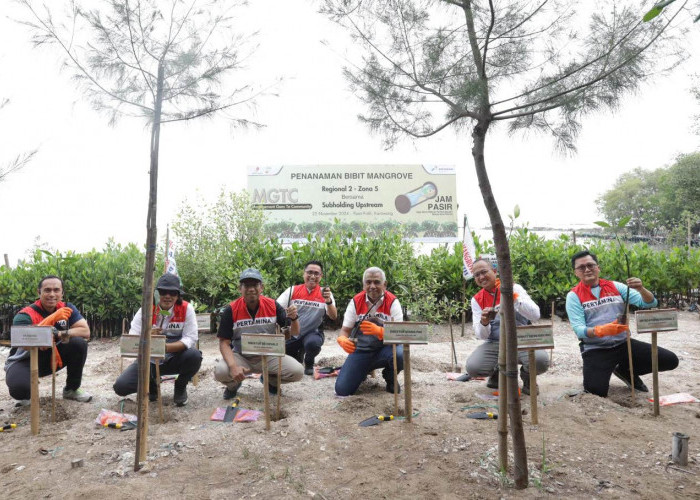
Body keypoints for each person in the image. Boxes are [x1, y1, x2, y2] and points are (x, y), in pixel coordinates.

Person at [566, 250, 679, 397]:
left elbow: (649, 302)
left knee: (670, 360)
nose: (587, 269)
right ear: (576, 272)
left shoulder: (615, 287)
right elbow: (579, 330)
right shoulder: (573, 296)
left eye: (590, 265)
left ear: (598, 267)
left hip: (624, 344)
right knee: (595, 392)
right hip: (596, 348)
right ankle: (613, 370)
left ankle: (625, 371)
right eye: (581, 267)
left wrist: (640, 288)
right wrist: (602, 330)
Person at [113, 273, 202, 407]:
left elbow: (190, 338)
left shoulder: (186, 309)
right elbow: (133, 337)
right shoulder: (146, 310)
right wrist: (146, 334)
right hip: (149, 360)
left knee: (194, 356)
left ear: (177, 295)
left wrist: (164, 347)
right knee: (121, 387)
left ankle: (180, 385)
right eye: (163, 292)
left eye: (172, 292)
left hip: (175, 357)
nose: (167, 296)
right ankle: (152, 384)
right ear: (157, 294)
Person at [463, 258, 548, 395]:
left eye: (484, 272)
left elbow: (535, 315)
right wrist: (484, 322)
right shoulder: (477, 300)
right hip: (496, 342)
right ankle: (497, 372)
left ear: (495, 271)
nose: (481, 277)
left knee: (540, 361)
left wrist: (513, 298)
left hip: (522, 339)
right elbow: (481, 335)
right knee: (474, 367)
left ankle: (527, 377)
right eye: (476, 275)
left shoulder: (515, 288)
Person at [215, 268, 303, 398]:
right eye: (247, 285)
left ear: (262, 287)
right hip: (242, 356)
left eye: (255, 285)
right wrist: (233, 367)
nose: (251, 289)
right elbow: (224, 342)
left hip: (269, 355)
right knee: (220, 371)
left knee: (297, 372)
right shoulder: (231, 310)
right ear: (240, 288)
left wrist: (294, 318)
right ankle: (233, 385)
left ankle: (271, 382)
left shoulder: (273, 305)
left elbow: (293, 333)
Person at [5, 275, 92, 403]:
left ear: (62, 292)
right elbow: (25, 344)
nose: (52, 294)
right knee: (19, 389)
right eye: (47, 290)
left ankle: (71, 389)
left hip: (52, 357)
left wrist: (56, 333)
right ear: (39, 292)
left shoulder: (67, 308)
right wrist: (52, 319)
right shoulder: (24, 315)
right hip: (25, 360)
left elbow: (85, 331)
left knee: (78, 343)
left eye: (56, 290)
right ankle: (26, 394)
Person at [334, 267, 404, 396]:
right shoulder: (355, 301)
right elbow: (344, 330)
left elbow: (400, 334)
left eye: (377, 282)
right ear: (363, 285)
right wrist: (342, 340)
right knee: (342, 390)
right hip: (362, 351)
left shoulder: (393, 302)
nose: (372, 286)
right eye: (368, 282)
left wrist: (381, 331)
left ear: (385, 284)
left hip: (385, 349)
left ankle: (390, 376)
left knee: (401, 355)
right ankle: (364, 369)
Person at [277, 260, 337, 375]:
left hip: (313, 332)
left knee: (312, 344)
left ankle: (309, 362)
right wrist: (288, 312)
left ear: (321, 276)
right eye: (309, 272)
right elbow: (276, 309)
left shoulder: (325, 292)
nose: (312, 276)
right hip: (293, 332)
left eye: (316, 273)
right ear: (303, 273)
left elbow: (333, 316)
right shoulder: (292, 290)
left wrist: (328, 301)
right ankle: (297, 354)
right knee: (284, 354)